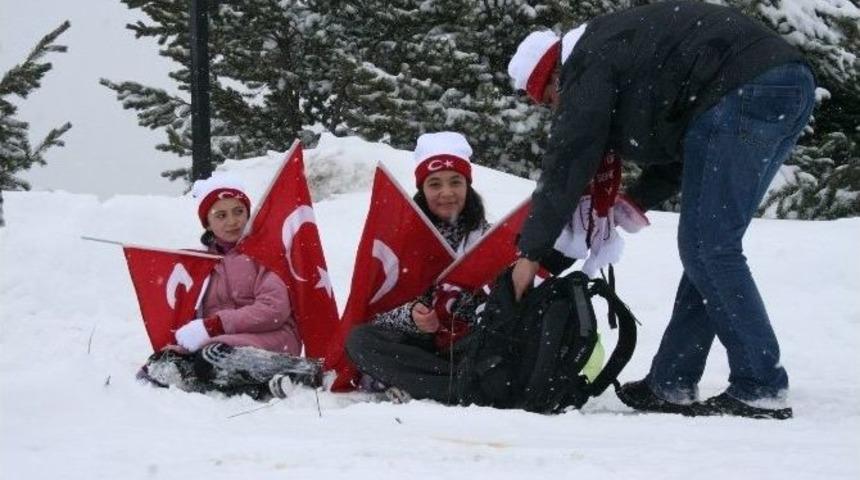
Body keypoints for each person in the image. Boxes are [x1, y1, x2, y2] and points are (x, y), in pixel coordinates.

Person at [506, 1, 814, 419]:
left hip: (746, 87)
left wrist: (531, 252)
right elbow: (684, 140)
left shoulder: (586, 61)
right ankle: (672, 381)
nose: (556, 109)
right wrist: (637, 198)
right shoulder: (614, 50)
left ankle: (760, 385)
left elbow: (568, 160)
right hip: (784, 84)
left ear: (554, 75)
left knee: (709, 248)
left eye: (548, 99)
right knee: (707, 248)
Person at [137, 174, 321, 399]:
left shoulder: (266, 254)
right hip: (223, 341)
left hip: (274, 337)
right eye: (221, 215)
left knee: (212, 356)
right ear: (207, 223)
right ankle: (256, 387)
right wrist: (184, 348)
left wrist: (214, 327)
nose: (232, 221)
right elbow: (194, 317)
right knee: (162, 364)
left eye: (238, 211)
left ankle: (301, 372)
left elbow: (274, 310)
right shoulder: (199, 264)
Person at [345, 132, 492, 403]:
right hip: (425, 350)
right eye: (435, 184)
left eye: (455, 182)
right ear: (422, 192)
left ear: (467, 187)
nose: (446, 193)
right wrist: (412, 316)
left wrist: (463, 315)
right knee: (360, 340)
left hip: (472, 344)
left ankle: (432, 385)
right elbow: (377, 313)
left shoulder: (489, 238)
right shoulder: (404, 242)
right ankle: (463, 387)